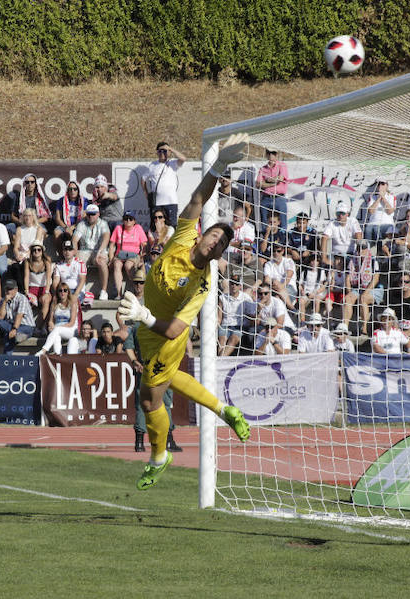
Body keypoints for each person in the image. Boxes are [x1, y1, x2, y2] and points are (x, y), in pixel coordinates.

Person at [117, 132, 251, 490]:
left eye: (223, 243)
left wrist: (144, 316)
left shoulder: (202, 282)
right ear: (204, 234)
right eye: (215, 235)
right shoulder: (182, 236)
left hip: (163, 339)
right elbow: (197, 197)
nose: (217, 242)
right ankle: (225, 410)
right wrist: (219, 166)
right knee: (172, 378)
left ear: (221, 254)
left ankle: (159, 456)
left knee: (149, 398)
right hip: (147, 330)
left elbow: (177, 330)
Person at [123, 270, 181, 454]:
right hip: (160, 368)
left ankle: (140, 442)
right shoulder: (161, 324)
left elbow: (128, 346)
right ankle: (168, 440)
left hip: (147, 368)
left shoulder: (138, 326)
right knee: (164, 404)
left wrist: (134, 362)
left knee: (144, 405)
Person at [72, 203, 110, 299]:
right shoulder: (81, 224)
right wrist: (75, 253)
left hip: (99, 250)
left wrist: (100, 251)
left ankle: (104, 290)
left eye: (93, 214)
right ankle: (81, 288)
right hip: (84, 250)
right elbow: (75, 240)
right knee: (78, 261)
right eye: (89, 214)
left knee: (101, 261)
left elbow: (106, 237)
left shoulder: (103, 223)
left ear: (98, 214)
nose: (91, 216)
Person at [144, 141, 186, 227]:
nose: (162, 153)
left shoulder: (173, 163)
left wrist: (170, 149)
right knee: (156, 226)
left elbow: (183, 159)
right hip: (156, 203)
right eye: (160, 151)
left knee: (172, 226)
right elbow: (143, 179)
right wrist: (146, 193)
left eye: (164, 151)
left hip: (171, 201)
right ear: (157, 152)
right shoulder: (152, 165)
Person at [109, 212, 147, 298]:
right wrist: (111, 259)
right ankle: (119, 293)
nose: (128, 221)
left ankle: (137, 288)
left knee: (128, 265)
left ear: (134, 221)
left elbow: (144, 244)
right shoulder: (118, 228)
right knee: (117, 264)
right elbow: (111, 245)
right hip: (120, 254)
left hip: (134, 255)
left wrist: (142, 257)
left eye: (131, 219)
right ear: (123, 220)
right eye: (126, 219)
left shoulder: (138, 228)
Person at [35, 283, 79, 355]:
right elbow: (51, 320)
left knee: (56, 330)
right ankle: (58, 355)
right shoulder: (54, 304)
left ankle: (44, 350)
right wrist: (51, 325)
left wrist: (56, 327)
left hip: (70, 329)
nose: (62, 293)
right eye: (60, 291)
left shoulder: (72, 304)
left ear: (68, 292)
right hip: (58, 329)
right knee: (56, 336)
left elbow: (72, 322)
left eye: (65, 290)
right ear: (57, 292)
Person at [0, 279, 35, 353]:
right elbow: (0, 317)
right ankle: (19, 336)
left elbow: (20, 315)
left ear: (16, 289)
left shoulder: (22, 298)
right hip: (12, 325)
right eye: (7, 289)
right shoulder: (3, 300)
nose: (8, 291)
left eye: (10, 289)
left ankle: (7, 359)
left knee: (8, 335)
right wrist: (4, 302)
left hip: (26, 326)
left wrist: (14, 329)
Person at [255, 148, 289, 227]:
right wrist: (273, 182)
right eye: (269, 153)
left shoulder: (282, 165)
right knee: (264, 223)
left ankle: (282, 239)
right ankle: (265, 238)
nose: (271, 155)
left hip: (279, 198)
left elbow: (280, 179)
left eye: (273, 153)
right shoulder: (263, 168)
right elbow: (258, 184)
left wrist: (267, 181)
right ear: (266, 154)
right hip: (266, 198)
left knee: (282, 224)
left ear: (277, 154)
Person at [218, 277, 250, 357]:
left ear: (240, 286)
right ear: (229, 285)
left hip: (240, 326)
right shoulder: (222, 297)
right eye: (232, 284)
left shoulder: (246, 298)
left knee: (233, 339)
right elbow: (219, 317)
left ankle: (220, 360)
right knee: (222, 340)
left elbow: (251, 315)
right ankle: (220, 360)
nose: (234, 286)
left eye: (236, 284)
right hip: (225, 325)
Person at [52, 238, 88, 307]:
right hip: (64, 291)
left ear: (74, 251)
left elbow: (82, 280)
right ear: (62, 251)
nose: (67, 252)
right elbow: (55, 282)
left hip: (77, 291)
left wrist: (75, 295)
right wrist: (57, 294)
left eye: (70, 249)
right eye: (65, 249)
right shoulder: (58, 265)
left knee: (71, 302)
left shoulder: (80, 264)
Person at [24, 240, 52, 323]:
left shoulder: (47, 261)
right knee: (26, 302)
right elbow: (26, 277)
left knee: (46, 300)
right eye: (34, 250)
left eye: (39, 249)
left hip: (44, 288)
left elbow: (48, 277)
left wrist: (47, 291)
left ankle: (40, 325)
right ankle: (27, 325)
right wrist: (27, 292)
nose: (36, 251)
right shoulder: (27, 262)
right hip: (32, 288)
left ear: (42, 251)